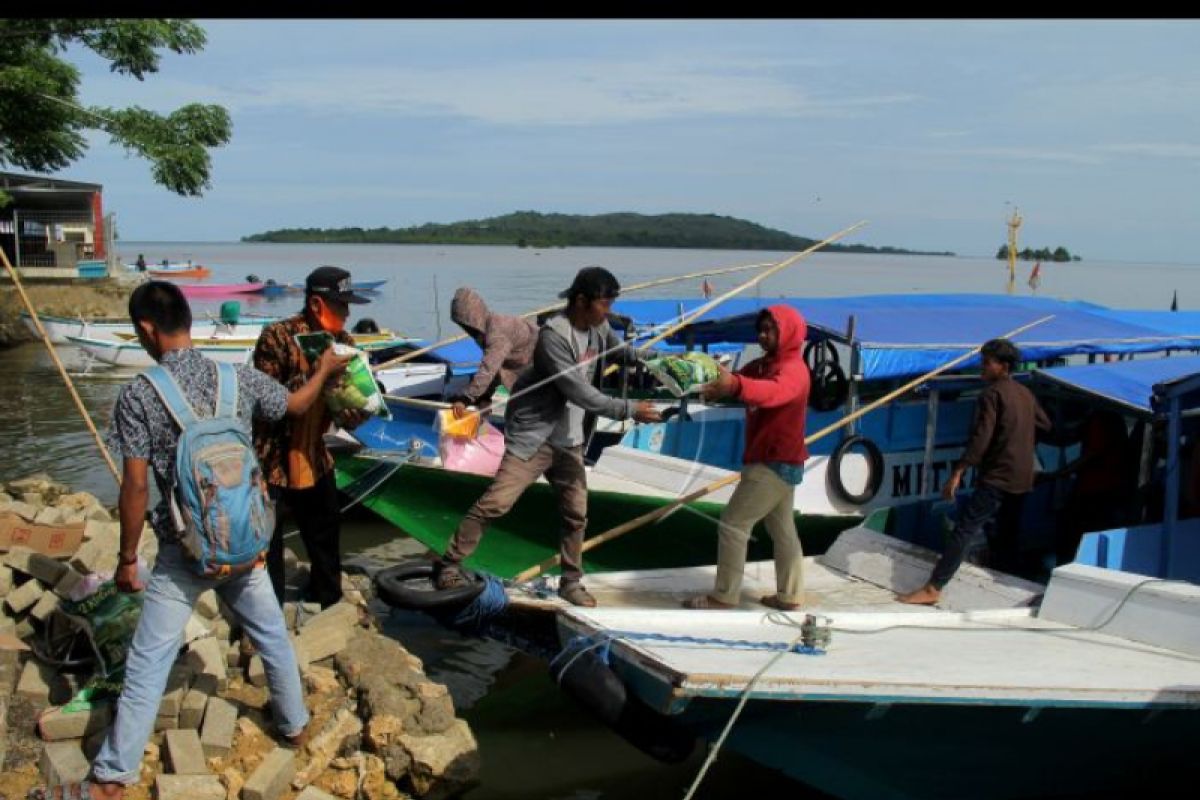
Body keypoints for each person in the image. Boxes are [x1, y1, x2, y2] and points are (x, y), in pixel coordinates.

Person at [51, 281, 349, 800]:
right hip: (246, 544)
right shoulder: (237, 377)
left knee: (148, 661)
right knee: (273, 635)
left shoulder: (139, 395)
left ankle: (110, 780)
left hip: (185, 554)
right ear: (188, 321)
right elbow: (297, 406)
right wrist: (323, 371)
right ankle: (295, 725)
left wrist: (125, 559)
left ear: (147, 329)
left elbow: (136, 487)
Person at [434, 266, 662, 606]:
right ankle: (447, 563)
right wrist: (629, 409)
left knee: (576, 513)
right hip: (534, 435)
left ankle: (571, 582)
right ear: (581, 300)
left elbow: (619, 353)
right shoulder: (553, 336)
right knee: (497, 503)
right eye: (604, 303)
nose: (609, 311)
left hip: (568, 437)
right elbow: (580, 393)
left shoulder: (598, 326)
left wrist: (660, 362)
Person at [253, 265, 372, 608]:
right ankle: (268, 617)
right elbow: (270, 402)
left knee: (325, 537)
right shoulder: (276, 337)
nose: (348, 314)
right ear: (318, 305)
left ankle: (329, 605)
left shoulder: (345, 344)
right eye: (341, 306)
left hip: (314, 455)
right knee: (269, 546)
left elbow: (348, 412)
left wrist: (354, 412)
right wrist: (319, 371)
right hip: (271, 457)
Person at [899, 338, 1051, 605]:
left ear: (1002, 366)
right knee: (1008, 532)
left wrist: (958, 471)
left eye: (986, 363)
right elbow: (1045, 424)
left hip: (998, 475)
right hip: (1022, 476)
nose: (982, 367)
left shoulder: (991, 394)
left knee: (965, 530)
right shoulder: (1025, 394)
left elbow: (981, 439)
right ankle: (1011, 586)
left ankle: (935, 587)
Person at [682, 306, 811, 611]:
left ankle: (724, 596)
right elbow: (738, 380)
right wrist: (710, 376)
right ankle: (790, 595)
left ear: (789, 333)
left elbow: (771, 393)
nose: (763, 336)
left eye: (771, 330)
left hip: (772, 461)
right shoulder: (765, 365)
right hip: (783, 460)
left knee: (733, 524)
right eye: (761, 329)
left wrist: (736, 386)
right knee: (782, 529)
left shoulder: (793, 370)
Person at [1046, 408, 1132, 565]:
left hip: (1095, 489)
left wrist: (1059, 473)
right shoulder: (1114, 419)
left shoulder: (1101, 419)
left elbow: (1091, 454)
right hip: (1109, 488)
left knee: (1077, 532)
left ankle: (1069, 564)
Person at [447, 286, 538, 419]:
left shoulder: (497, 332)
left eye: (465, 324)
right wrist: (485, 397)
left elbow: (489, 368)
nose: (466, 329)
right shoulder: (485, 332)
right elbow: (497, 368)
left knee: (523, 418)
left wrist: (465, 398)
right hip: (526, 370)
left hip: (540, 366)